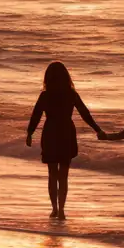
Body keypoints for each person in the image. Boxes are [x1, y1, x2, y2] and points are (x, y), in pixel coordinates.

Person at [26, 61, 103, 220]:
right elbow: (85, 113)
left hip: (51, 133)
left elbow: (36, 115)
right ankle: (62, 210)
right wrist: (97, 129)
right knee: (64, 175)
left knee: (52, 174)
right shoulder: (71, 94)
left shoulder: (45, 95)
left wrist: (30, 133)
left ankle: (54, 209)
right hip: (67, 132)